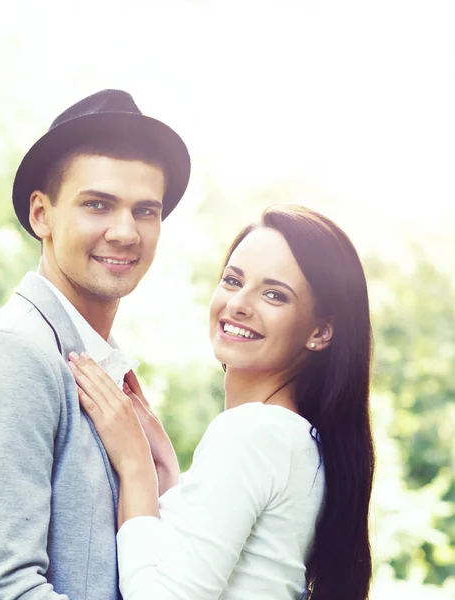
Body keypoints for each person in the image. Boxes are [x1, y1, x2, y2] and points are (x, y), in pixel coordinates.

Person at [0, 89, 191, 599]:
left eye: (145, 211)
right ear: (41, 215)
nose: (125, 231)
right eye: (97, 204)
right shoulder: (9, 354)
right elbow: (2, 591)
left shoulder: (98, 364)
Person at [70, 205, 375, 600]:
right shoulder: (299, 438)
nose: (239, 304)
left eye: (274, 294)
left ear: (320, 331)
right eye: (233, 280)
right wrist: (164, 473)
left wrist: (135, 467)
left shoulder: (253, 433)